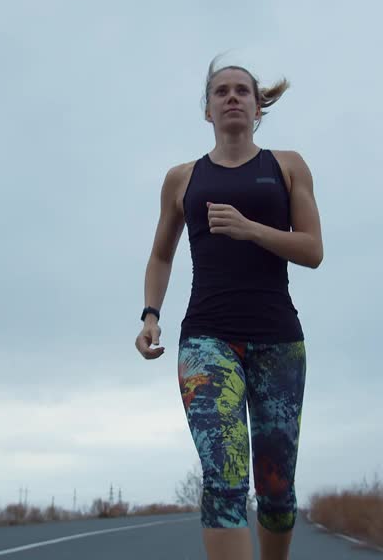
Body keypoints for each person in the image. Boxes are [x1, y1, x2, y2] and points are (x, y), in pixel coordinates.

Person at [136, 54, 324, 560]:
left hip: (278, 342)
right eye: (221, 91)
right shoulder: (182, 178)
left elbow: (313, 251)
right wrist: (150, 315)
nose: (233, 97)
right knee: (223, 479)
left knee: (277, 488)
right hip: (206, 341)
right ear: (208, 110)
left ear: (258, 106)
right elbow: (159, 255)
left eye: (243, 90)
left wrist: (251, 229)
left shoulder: (287, 166)